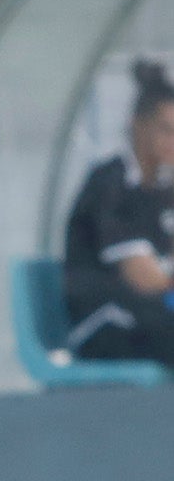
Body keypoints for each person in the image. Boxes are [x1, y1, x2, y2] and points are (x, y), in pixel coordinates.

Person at [63, 59, 174, 367]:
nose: (173, 142)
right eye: (166, 130)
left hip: (150, 318)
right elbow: (146, 280)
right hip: (105, 322)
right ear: (138, 125)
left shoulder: (164, 188)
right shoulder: (111, 184)